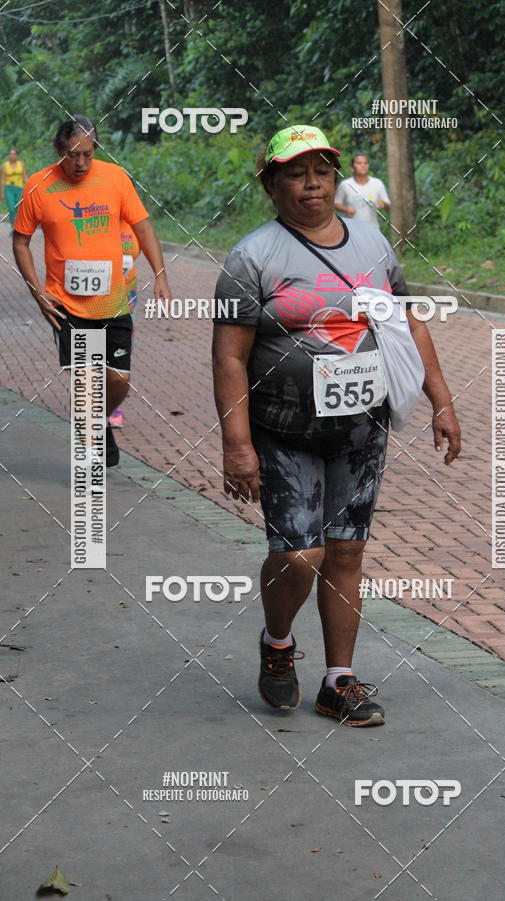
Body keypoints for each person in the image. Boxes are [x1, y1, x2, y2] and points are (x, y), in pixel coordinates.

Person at [212, 125, 461, 727]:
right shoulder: (252, 256)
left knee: (346, 550)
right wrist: (237, 444)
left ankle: (338, 681)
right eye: (295, 173)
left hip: (360, 429)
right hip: (282, 430)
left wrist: (443, 402)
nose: (311, 184)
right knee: (300, 555)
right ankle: (277, 646)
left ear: (334, 178)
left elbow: (409, 323)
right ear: (270, 183)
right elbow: (229, 356)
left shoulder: (372, 242)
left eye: (321, 171)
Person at [12, 115, 171, 466]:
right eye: (72, 154)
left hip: (114, 301)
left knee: (118, 380)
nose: (81, 162)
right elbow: (20, 241)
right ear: (58, 150)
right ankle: (90, 451)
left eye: (87, 153)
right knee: (85, 383)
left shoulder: (115, 178)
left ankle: (95, 423)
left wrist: (160, 274)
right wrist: (37, 292)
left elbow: (143, 227)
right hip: (66, 303)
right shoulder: (39, 186)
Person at [109, 220, 140, 429]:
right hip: (98, 294)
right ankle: (98, 403)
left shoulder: (133, 220)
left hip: (128, 294)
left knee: (121, 350)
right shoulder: (96, 215)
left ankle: (112, 405)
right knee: (97, 348)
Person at [334, 152, 390, 229]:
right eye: (359, 163)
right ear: (352, 167)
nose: (363, 165)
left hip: (373, 230)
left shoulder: (377, 183)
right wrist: (346, 209)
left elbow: (388, 207)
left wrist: (383, 203)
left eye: (365, 163)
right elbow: (336, 204)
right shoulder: (345, 184)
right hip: (351, 230)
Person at [2, 148, 27, 230]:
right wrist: (1, 192)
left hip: (19, 188)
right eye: (11, 154)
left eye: (14, 154)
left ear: (17, 155)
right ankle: (14, 228)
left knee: (19, 208)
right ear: (8, 156)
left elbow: (24, 177)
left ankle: (19, 226)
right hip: (8, 189)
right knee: (11, 209)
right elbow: (3, 179)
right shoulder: (5, 165)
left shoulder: (21, 164)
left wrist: (29, 187)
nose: (12, 156)